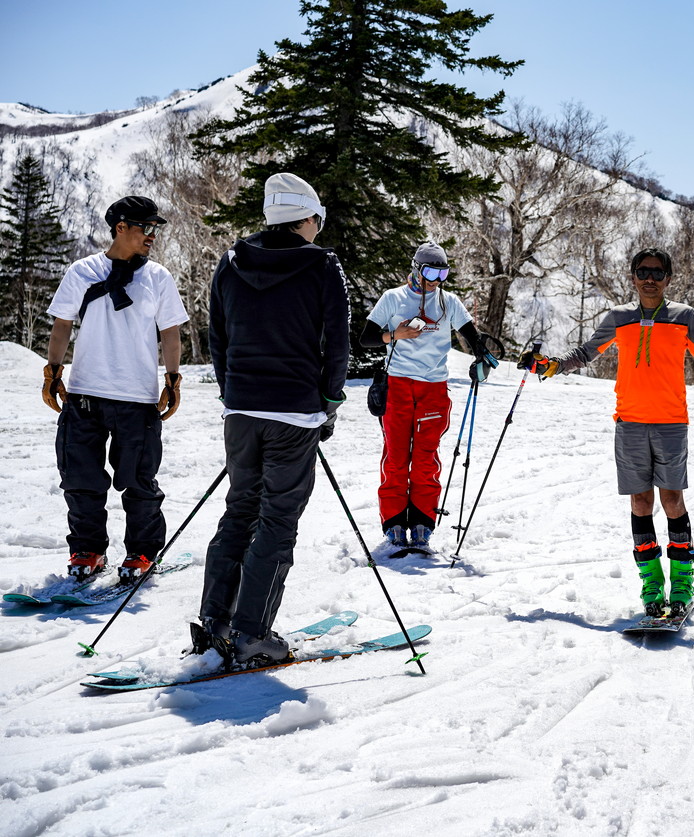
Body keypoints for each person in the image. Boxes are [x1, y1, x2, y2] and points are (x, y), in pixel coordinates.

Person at [519, 247, 694, 617]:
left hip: (671, 422)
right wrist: (553, 366)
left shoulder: (683, 316)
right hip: (629, 423)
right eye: (643, 271)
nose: (650, 278)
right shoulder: (619, 317)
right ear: (632, 277)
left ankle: (682, 582)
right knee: (639, 503)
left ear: (668, 278)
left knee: (673, 502)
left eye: (657, 273)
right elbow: (586, 352)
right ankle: (652, 583)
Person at [195, 173, 350, 666]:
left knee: (240, 510)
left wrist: (232, 391)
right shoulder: (323, 265)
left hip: (240, 409)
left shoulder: (231, 260)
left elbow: (216, 335)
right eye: (317, 221)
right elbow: (338, 341)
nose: (318, 230)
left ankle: (215, 624)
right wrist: (328, 401)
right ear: (305, 218)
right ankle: (252, 634)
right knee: (277, 520)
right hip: (293, 412)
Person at [43, 196, 188, 583]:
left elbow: (170, 332)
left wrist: (172, 379)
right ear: (120, 227)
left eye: (156, 228)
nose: (152, 236)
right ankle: (87, 550)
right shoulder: (82, 270)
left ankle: (142, 552)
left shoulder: (158, 277)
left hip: (137, 398)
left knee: (139, 483)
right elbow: (62, 325)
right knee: (80, 480)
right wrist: (53, 371)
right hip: (85, 395)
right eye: (146, 227)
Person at [359, 241, 498, 551]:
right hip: (397, 385)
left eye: (443, 272)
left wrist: (481, 358)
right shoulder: (393, 298)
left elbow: (473, 338)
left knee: (424, 459)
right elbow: (366, 338)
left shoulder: (449, 302)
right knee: (396, 458)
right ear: (416, 268)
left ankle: (422, 520)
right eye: (431, 271)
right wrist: (396, 334)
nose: (436, 279)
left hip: (433, 389)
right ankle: (394, 521)